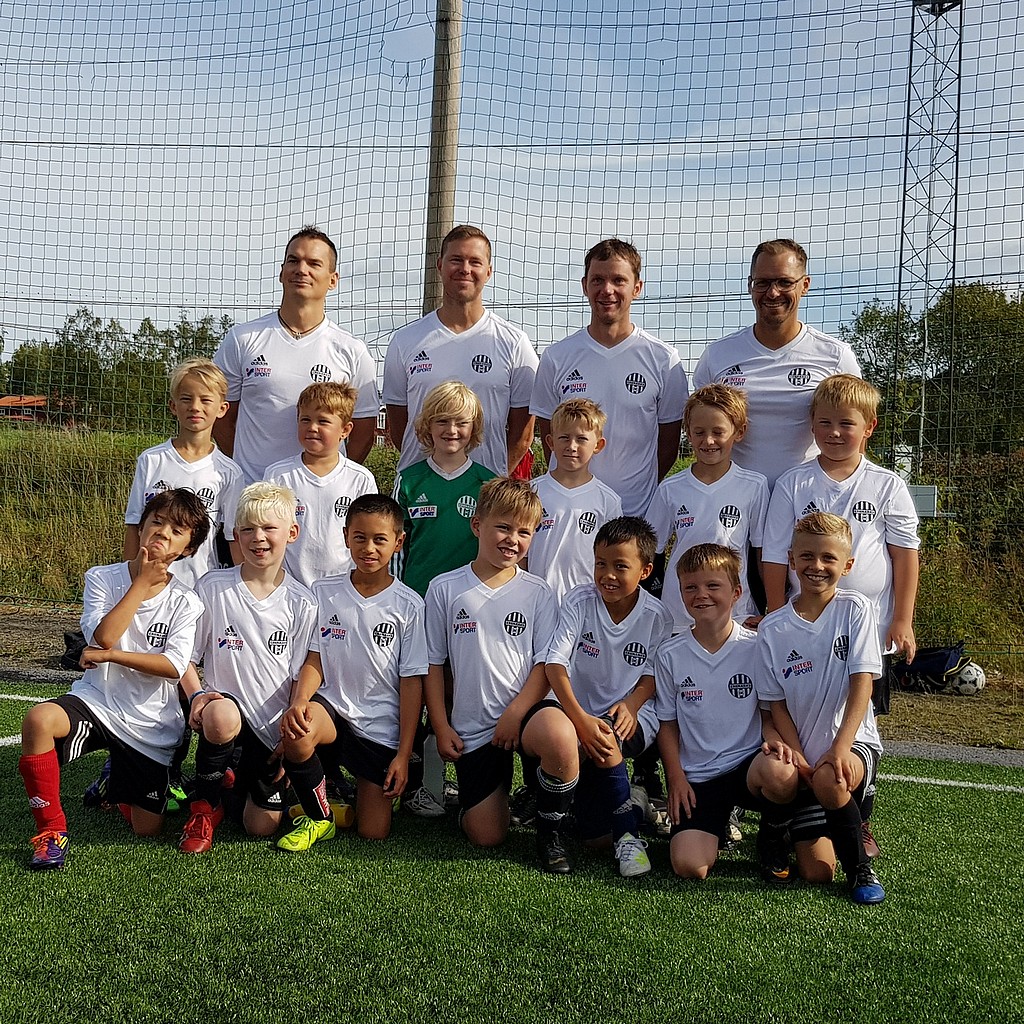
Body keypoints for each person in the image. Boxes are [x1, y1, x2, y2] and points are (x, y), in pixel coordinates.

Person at [18, 489, 208, 869]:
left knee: (147, 829)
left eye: (176, 530)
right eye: (157, 522)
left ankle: (113, 783)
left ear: (188, 549)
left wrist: (112, 657)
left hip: (149, 724)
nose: (163, 533)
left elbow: (174, 666)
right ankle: (51, 832)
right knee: (39, 719)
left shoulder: (186, 601)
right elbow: (102, 636)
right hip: (97, 701)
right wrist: (141, 584)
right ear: (141, 528)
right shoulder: (102, 578)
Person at [423, 478, 560, 865]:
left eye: (524, 532)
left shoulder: (539, 592)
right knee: (487, 836)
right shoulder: (445, 589)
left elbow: (545, 665)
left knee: (557, 736)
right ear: (477, 525)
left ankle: (548, 811)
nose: (512, 540)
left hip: (527, 717)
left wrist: (516, 713)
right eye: (503, 527)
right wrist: (441, 726)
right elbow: (432, 665)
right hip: (475, 729)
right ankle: (478, 803)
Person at [279, 494, 427, 845]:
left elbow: (411, 683)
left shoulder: (409, 605)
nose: (368, 548)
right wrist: (299, 701)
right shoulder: (323, 591)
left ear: (399, 541)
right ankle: (320, 816)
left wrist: (403, 754)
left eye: (380, 539)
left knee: (373, 831)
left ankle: (339, 797)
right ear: (346, 536)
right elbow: (315, 657)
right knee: (298, 731)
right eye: (360, 537)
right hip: (332, 711)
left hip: (379, 727)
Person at [179, 482, 317, 854]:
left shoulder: (303, 602)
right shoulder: (213, 587)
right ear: (236, 534)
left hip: (270, 734)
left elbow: (300, 675)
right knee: (221, 714)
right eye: (248, 529)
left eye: (269, 528)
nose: (259, 538)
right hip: (225, 717)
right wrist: (197, 695)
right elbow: (185, 657)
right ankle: (203, 808)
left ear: (292, 533)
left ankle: (229, 783)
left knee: (260, 826)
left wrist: (289, 741)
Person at [756, 513, 887, 905]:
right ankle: (781, 831)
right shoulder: (773, 628)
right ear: (791, 559)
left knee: (832, 778)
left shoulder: (856, 609)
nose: (817, 565)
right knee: (816, 871)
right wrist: (798, 755)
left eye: (829, 557)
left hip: (852, 744)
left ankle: (860, 868)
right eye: (807, 556)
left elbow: (863, 683)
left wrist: (841, 747)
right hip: (806, 756)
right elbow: (776, 704)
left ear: (847, 565)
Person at [535, 517, 674, 877]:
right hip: (577, 712)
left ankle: (629, 839)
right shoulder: (578, 601)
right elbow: (555, 663)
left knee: (606, 736)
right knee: (594, 837)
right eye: (601, 564)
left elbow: (653, 673)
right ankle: (631, 805)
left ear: (645, 571)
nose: (608, 575)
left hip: (632, 714)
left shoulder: (657, 616)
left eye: (620, 566)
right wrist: (579, 718)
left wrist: (632, 703)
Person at [654, 544, 797, 881]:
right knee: (690, 867)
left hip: (747, 767)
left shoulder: (756, 646)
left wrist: (774, 739)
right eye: (690, 587)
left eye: (712, 586)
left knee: (781, 772)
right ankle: (714, 827)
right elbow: (667, 724)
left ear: (736, 593)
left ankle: (772, 837)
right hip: (700, 777)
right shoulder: (670, 654)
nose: (701, 594)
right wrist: (675, 778)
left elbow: (768, 714)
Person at [530, 238, 688, 517]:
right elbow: (549, 437)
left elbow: (668, 445)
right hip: (569, 514)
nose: (607, 290)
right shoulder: (556, 357)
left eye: (618, 280)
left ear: (637, 288)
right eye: (598, 280)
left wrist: (640, 494)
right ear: (585, 285)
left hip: (635, 516)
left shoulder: (664, 359)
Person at [213, 225, 378, 483]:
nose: (302, 269)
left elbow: (363, 431)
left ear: (333, 279)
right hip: (254, 494)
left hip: (322, 497)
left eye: (314, 263)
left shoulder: (352, 351)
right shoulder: (242, 339)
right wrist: (248, 472)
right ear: (281, 272)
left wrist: (330, 480)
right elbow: (221, 417)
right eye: (293, 260)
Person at [691, 239, 861, 489]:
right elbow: (700, 433)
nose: (772, 293)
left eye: (784, 282)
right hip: (736, 501)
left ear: (805, 285)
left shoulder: (836, 356)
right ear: (750, 285)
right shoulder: (717, 356)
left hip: (806, 499)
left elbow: (856, 436)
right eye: (763, 283)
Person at [383, 225, 538, 477]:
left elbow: (523, 434)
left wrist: (491, 478)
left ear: (488, 272)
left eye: (475, 262)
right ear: (440, 265)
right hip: (421, 491)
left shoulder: (514, 343)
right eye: (456, 260)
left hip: (485, 490)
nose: (465, 269)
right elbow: (399, 426)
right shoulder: (405, 341)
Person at [645, 384, 769, 632]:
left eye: (718, 432)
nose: (708, 440)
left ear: (739, 432)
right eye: (699, 432)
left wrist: (768, 608)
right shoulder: (671, 488)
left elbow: (760, 552)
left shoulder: (754, 485)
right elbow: (651, 551)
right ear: (688, 433)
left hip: (736, 615)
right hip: (679, 617)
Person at [124, 358, 243, 588]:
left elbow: (233, 537)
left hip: (200, 585)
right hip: (148, 584)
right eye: (186, 399)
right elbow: (133, 525)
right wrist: (129, 581)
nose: (195, 407)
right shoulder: (151, 460)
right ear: (173, 405)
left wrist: (240, 591)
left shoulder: (229, 472)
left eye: (205, 400)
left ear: (222, 408)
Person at [264, 382, 378, 588]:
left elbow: (369, 535)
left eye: (323, 421)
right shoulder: (278, 475)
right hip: (289, 587)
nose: (312, 428)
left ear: (345, 430)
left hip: (342, 588)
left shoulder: (360, 479)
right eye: (305, 420)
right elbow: (267, 531)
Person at [391, 380, 496, 599]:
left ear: (474, 427)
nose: (452, 430)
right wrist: (396, 594)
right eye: (442, 421)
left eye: (461, 423)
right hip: (418, 595)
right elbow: (395, 546)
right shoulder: (408, 480)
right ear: (428, 425)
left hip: (471, 597)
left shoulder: (488, 483)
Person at [526, 398, 622, 601]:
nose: (572, 446)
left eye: (581, 439)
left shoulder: (608, 500)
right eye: (564, 438)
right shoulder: (531, 492)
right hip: (536, 601)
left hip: (586, 604)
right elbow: (521, 553)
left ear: (598, 445)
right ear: (550, 442)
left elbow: (613, 558)